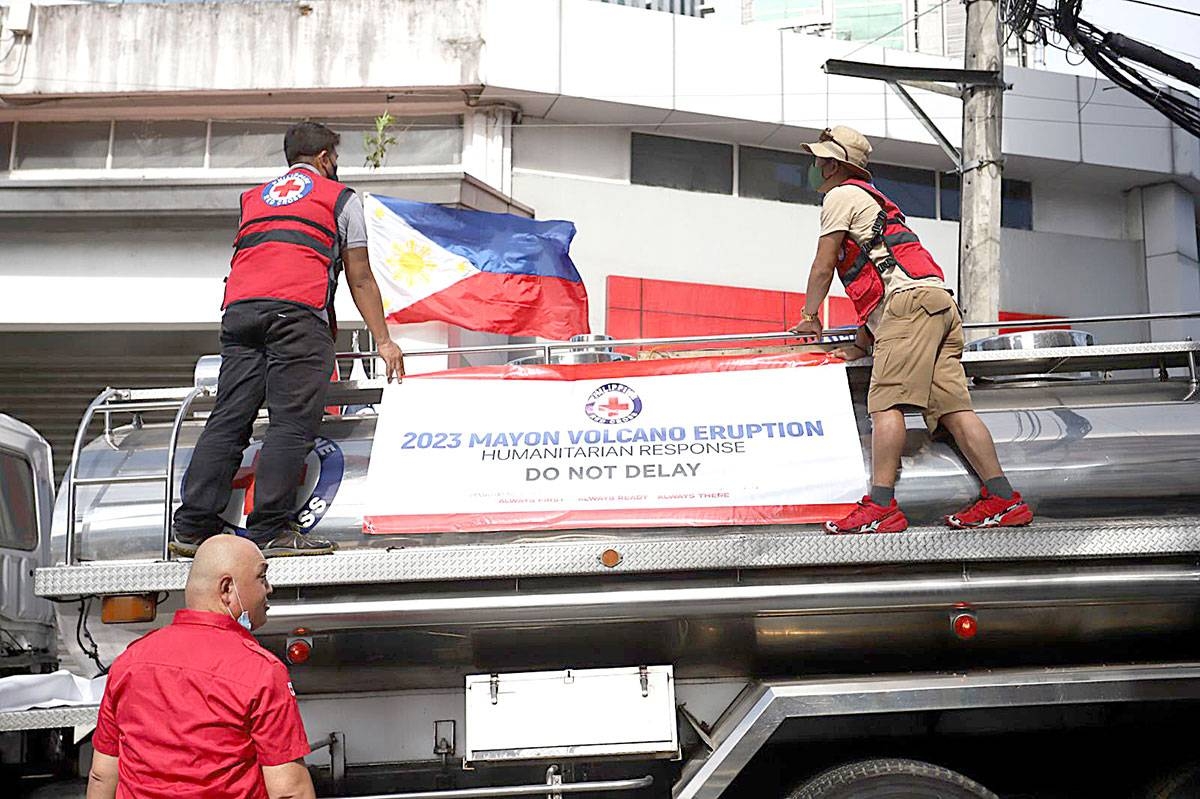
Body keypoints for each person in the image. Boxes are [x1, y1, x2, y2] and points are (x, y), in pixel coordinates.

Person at [172, 121, 405, 557]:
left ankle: (191, 526)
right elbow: (360, 275)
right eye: (335, 158)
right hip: (297, 316)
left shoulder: (253, 199)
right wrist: (384, 340)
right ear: (325, 159)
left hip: (240, 314)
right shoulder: (341, 199)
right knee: (291, 423)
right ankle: (270, 530)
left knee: (229, 417)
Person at [790, 125, 1033, 534]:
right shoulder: (877, 202)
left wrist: (809, 317)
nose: (814, 167)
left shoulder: (840, 195)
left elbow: (824, 263)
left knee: (885, 406)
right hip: (937, 304)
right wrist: (861, 341)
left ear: (832, 164)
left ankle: (882, 505)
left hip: (909, 310)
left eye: (817, 160)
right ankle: (1004, 499)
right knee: (956, 410)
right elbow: (887, 273)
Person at [86, 536, 315, 799]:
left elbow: (102, 775)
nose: (269, 588)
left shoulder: (129, 661)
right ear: (227, 589)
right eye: (262, 577)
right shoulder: (260, 671)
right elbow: (289, 791)